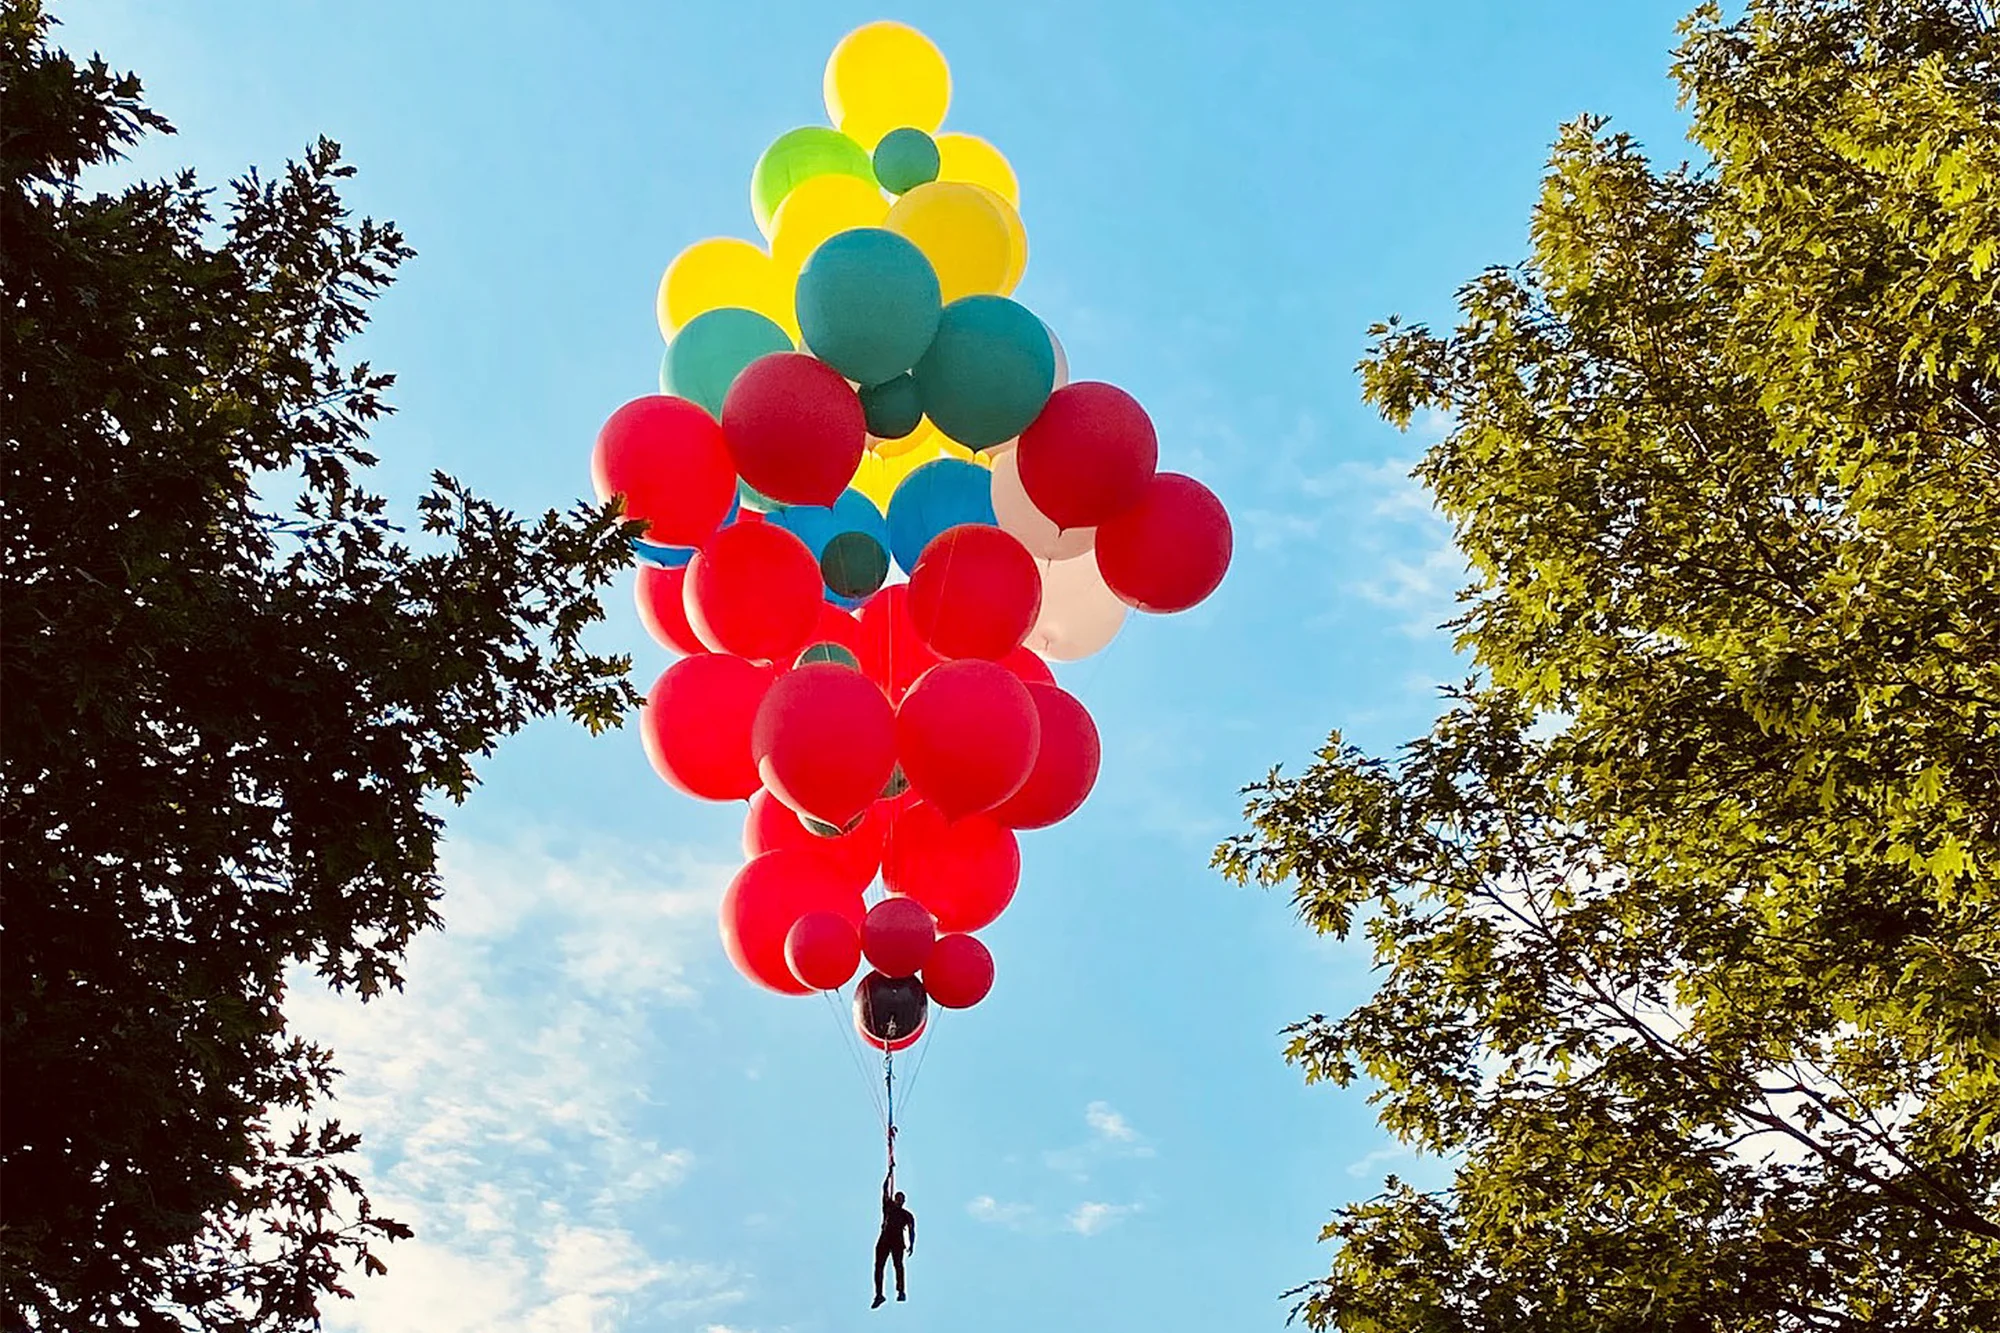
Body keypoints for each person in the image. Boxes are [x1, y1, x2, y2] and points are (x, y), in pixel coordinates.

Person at [872, 1168, 915, 1308]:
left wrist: (911, 1244)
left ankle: (901, 1291)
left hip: (897, 1241)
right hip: (885, 1238)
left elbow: (911, 1230)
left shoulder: (906, 1214)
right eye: (897, 1197)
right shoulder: (888, 1205)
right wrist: (889, 1175)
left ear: (903, 1201)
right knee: (879, 1266)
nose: (898, 1200)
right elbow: (884, 1190)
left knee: (898, 1266)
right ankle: (879, 1295)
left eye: (901, 1199)